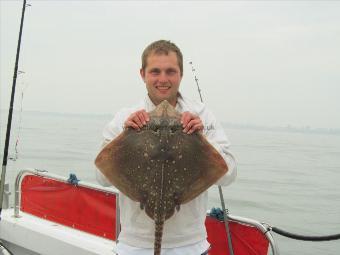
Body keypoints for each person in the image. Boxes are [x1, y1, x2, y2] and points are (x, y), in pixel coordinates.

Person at [96, 40, 237, 255]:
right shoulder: (126, 118)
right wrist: (125, 138)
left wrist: (203, 141)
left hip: (191, 246)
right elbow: (101, 177)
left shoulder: (202, 115)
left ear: (180, 74)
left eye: (170, 71)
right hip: (134, 246)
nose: (163, 79)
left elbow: (229, 175)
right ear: (143, 74)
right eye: (155, 71)